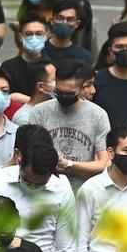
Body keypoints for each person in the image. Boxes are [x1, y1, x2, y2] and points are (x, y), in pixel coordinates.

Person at [0, 134, 78, 252]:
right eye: (28, 181)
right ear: (19, 162)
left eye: (40, 185)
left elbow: (66, 250)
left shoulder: (62, 191)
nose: (32, 187)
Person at [26, 58, 111, 187]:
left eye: (70, 93)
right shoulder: (40, 112)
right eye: (59, 92)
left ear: (83, 87)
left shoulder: (98, 115)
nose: (63, 96)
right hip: (44, 191)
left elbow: (105, 164)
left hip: (81, 192)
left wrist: (68, 165)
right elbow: (28, 156)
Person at [43, 0, 94, 65]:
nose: (64, 23)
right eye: (60, 18)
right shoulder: (40, 50)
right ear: (52, 20)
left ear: (77, 24)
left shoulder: (84, 57)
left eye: (70, 20)